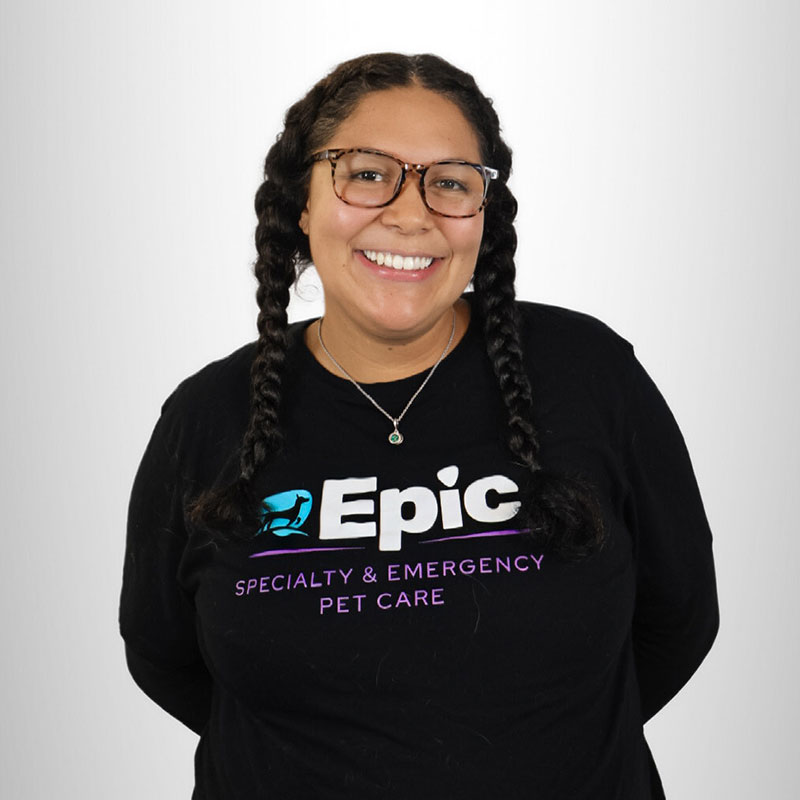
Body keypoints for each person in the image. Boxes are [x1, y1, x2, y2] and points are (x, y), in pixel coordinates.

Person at [120, 53, 719, 799]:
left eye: (450, 182)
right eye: (367, 173)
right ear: (301, 204)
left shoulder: (588, 373)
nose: (410, 214)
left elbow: (680, 620)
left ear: (482, 214)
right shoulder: (206, 417)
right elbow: (161, 655)